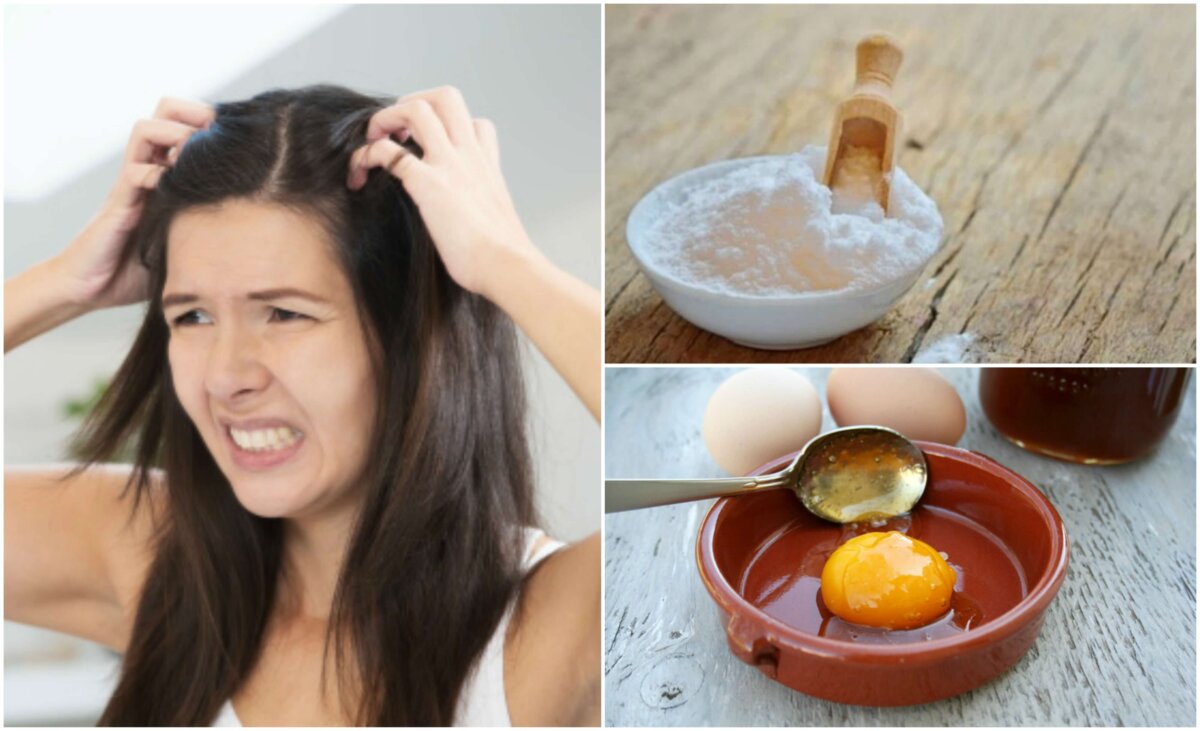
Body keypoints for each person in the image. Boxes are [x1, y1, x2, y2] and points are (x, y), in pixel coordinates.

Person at [4, 85, 600, 726]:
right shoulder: (154, 558)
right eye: (193, 315)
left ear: (409, 340)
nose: (226, 377)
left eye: (284, 313)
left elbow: (718, 447)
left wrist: (502, 262)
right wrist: (62, 284)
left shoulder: (547, 620)